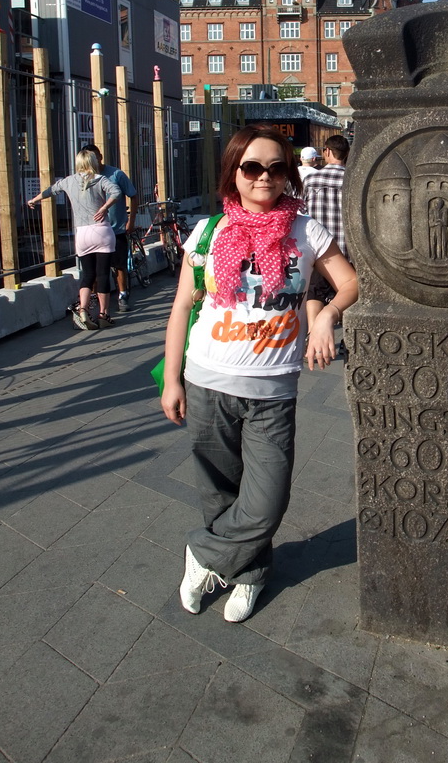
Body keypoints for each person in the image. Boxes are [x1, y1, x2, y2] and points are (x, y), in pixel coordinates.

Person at [160, 124, 358, 623]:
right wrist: (171, 378)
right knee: (219, 493)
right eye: (252, 167)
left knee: (268, 499)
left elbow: (350, 282)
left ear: (288, 173)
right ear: (234, 173)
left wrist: (326, 317)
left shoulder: (305, 230)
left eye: (275, 167)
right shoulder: (207, 232)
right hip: (208, 381)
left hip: (273, 392)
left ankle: (204, 556)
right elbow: (183, 307)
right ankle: (249, 574)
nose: (263, 177)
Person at [27, 150, 121, 330]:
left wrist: (34, 199)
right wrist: (104, 207)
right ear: (93, 161)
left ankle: (83, 309)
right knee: (102, 274)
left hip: (82, 233)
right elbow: (116, 192)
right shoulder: (100, 179)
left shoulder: (69, 181)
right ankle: (104, 314)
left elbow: (50, 191)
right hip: (101, 230)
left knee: (87, 274)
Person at [81, 144, 138, 312]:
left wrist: (131, 221)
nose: (94, 161)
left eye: (95, 157)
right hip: (94, 230)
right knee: (95, 269)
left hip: (116, 228)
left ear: (100, 157)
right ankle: (97, 299)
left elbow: (133, 196)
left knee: (120, 264)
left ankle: (122, 294)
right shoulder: (84, 177)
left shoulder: (116, 174)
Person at [302, 134, 350, 331]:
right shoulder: (353, 181)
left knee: (314, 294)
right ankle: (346, 338)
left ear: (328, 152)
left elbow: (303, 209)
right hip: (347, 250)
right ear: (346, 154)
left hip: (318, 250)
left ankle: (313, 332)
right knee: (347, 293)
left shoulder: (311, 179)